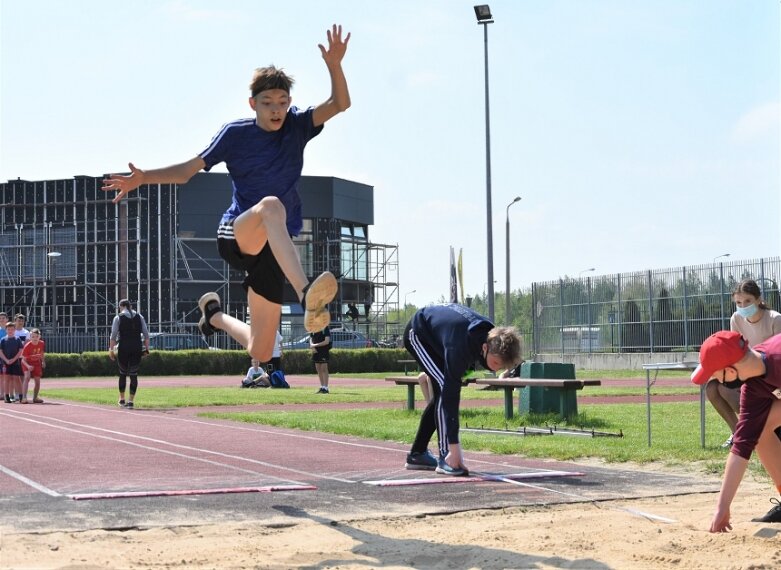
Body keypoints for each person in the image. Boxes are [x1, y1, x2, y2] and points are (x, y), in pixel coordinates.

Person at [102, 25, 352, 365]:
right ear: (253, 104)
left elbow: (340, 103)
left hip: (273, 251)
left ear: (289, 102)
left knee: (262, 351)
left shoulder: (298, 125)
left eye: (282, 102)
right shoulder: (236, 134)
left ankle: (214, 317)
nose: (276, 110)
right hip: (239, 232)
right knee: (270, 205)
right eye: (267, 103)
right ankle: (306, 292)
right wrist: (144, 178)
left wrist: (334, 65)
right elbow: (189, 169)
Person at [403, 304, 522, 476]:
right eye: (496, 363)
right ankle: (446, 455)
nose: (496, 370)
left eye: (501, 366)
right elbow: (451, 395)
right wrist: (454, 447)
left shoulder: (487, 336)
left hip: (440, 335)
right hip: (418, 333)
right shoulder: (461, 344)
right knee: (445, 387)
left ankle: (417, 454)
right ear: (485, 348)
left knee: (441, 393)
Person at [690, 330, 781, 531]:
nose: (717, 382)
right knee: (759, 430)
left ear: (730, 372)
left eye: (716, 375)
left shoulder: (778, 358)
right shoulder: (753, 387)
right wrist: (722, 507)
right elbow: (742, 445)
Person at [706, 279, 781, 448]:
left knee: (726, 388)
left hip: (771, 376)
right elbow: (734, 351)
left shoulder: (775, 319)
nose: (743, 306)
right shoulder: (736, 319)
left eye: (748, 301)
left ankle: (757, 429)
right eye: (739, 302)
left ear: (759, 299)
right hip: (746, 372)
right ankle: (738, 433)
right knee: (712, 388)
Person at [108, 299, 151, 409]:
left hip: (124, 347)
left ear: (121, 306)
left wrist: (111, 350)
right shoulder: (140, 317)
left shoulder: (118, 317)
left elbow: (113, 336)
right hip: (136, 347)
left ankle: (122, 399)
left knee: (122, 373)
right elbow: (146, 335)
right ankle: (131, 401)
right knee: (134, 374)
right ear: (130, 306)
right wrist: (146, 349)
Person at [0, 323, 24, 403]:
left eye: (12, 329)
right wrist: (6, 360)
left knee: (17, 379)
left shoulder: (17, 339)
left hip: (15, 362)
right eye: (8, 329)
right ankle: (7, 397)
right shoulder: (3, 340)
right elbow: (0, 351)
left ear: (14, 330)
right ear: (6, 330)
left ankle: (21, 396)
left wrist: (13, 359)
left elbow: (20, 351)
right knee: (7, 379)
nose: (10, 331)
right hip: (5, 363)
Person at [20, 328, 45, 404]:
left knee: (37, 381)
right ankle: (24, 397)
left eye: (36, 336)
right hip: (27, 363)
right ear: (30, 337)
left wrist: (43, 361)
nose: (35, 338)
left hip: (37, 363)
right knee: (27, 377)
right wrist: (28, 366)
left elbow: (41, 353)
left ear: (39, 336)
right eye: (33, 336)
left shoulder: (41, 343)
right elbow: (23, 360)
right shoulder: (27, 346)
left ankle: (35, 397)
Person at [310, 325, 331, 394]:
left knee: (324, 369)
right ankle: (322, 386)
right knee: (318, 369)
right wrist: (312, 346)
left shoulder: (325, 328)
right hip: (316, 351)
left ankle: (326, 387)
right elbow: (311, 338)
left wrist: (315, 345)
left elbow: (326, 341)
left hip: (323, 351)